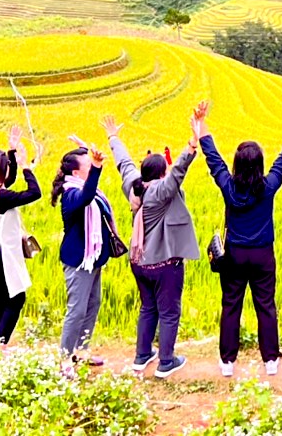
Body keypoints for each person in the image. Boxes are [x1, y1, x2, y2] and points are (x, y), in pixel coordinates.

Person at [200, 99, 282, 377]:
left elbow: (213, 159)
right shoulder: (268, 186)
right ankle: (270, 360)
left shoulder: (227, 185)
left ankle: (227, 362)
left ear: (236, 163)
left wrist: (201, 125)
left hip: (234, 254)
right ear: (260, 164)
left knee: (231, 304)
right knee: (266, 305)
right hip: (262, 254)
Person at [107, 105, 202, 379]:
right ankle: (166, 362)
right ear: (161, 174)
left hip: (138, 263)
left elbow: (124, 164)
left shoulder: (133, 186)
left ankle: (141, 356)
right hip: (164, 264)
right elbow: (178, 172)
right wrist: (192, 144)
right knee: (170, 311)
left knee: (148, 307)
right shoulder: (160, 192)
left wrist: (114, 138)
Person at [54, 138, 120, 370]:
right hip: (78, 261)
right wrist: (98, 168)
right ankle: (65, 359)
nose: (91, 167)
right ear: (76, 172)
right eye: (88, 166)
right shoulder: (71, 194)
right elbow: (87, 197)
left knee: (93, 304)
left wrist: (86, 147)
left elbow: (91, 191)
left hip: (94, 259)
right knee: (77, 309)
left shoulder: (84, 187)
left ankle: (81, 351)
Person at [0, 126, 41, 348]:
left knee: (2, 299)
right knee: (16, 298)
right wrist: (26, 168)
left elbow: (8, 182)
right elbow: (34, 193)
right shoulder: (1, 196)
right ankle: (0, 346)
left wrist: (11, 151)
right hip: (3, 254)